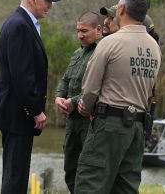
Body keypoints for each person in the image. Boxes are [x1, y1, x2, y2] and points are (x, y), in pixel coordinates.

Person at [75, 0, 162, 194]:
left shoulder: (109, 43)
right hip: (138, 128)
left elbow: (89, 88)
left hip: (109, 125)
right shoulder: (154, 47)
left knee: (90, 184)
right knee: (126, 188)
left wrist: (85, 109)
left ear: (121, 9)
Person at [0, 0, 63, 194]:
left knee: (15, 171)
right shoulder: (20, 26)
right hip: (17, 110)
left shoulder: (22, 22)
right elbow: (22, 75)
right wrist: (35, 111)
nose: (51, 5)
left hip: (15, 108)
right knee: (16, 173)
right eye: (48, 1)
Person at [54, 11, 102, 193]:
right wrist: (59, 97)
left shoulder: (102, 52)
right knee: (70, 168)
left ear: (98, 30)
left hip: (88, 120)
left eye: (84, 31)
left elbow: (99, 87)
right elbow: (66, 79)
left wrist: (73, 101)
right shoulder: (77, 53)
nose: (80, 35)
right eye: (78, 31)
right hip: (71, 121)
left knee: (87, 169)